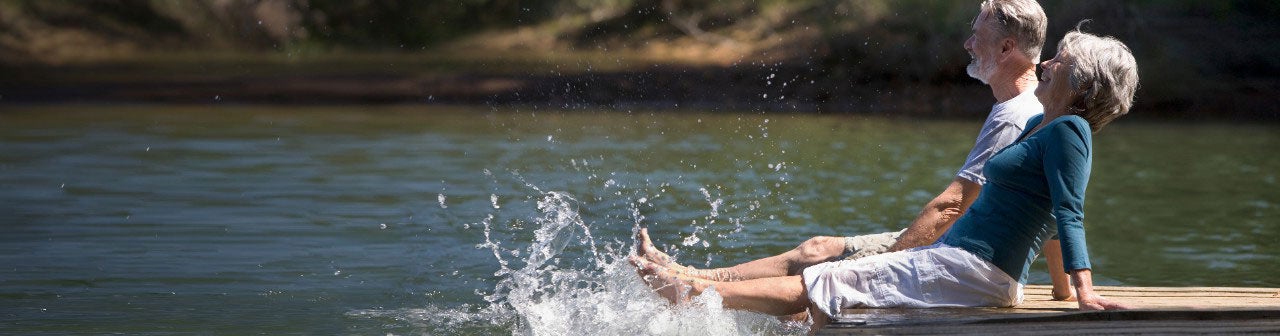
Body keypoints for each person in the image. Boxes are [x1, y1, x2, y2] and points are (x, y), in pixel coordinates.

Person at [632, 27, 1141, 330]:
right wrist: (1054, 288)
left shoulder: (1071, 130)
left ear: (1080, 84)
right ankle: (693, 284)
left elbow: (1068, 212)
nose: (1047, 62)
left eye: (1061, 61)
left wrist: (1081, 292)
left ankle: (691, 293)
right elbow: (1043, 211)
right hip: (954, 262)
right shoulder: (1039, 125)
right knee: (830, 300)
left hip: (974, 270)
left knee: (822, 280)